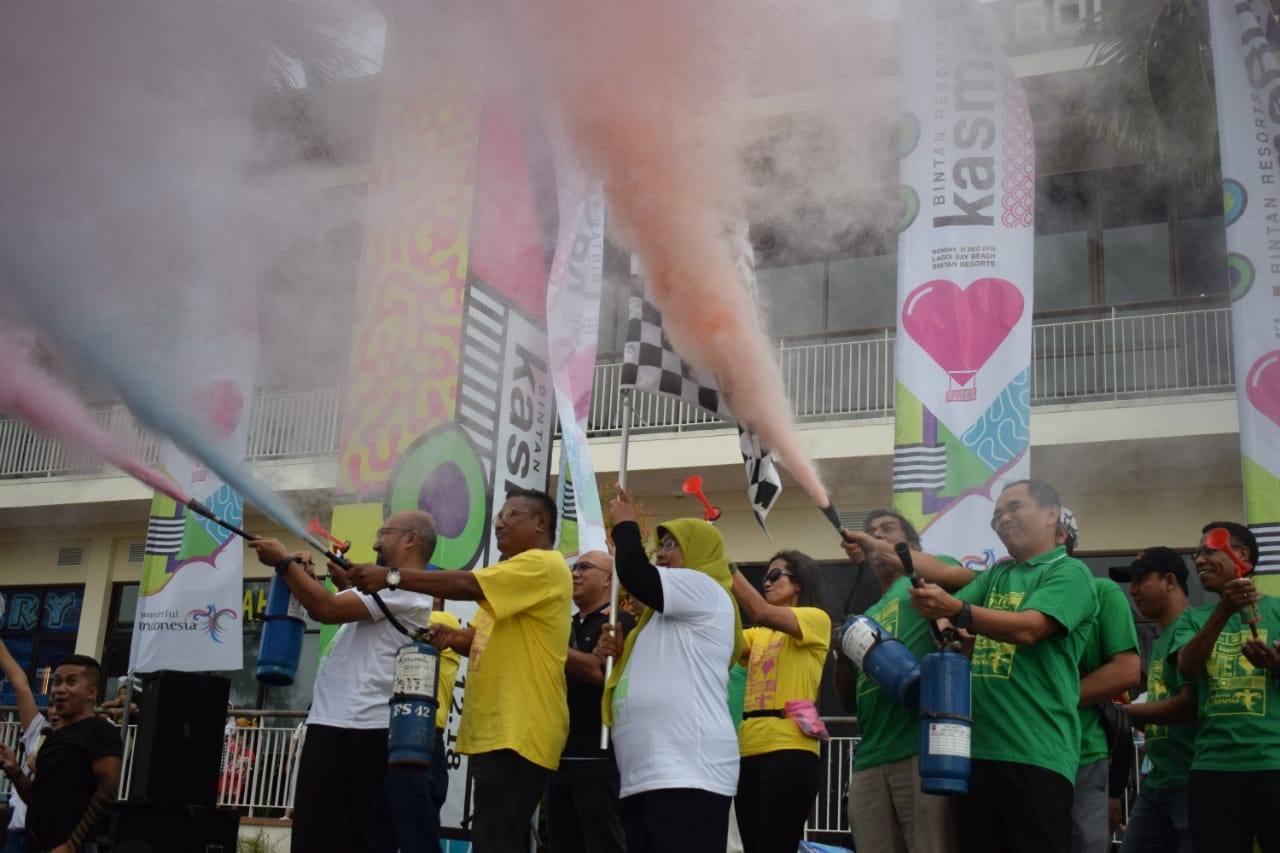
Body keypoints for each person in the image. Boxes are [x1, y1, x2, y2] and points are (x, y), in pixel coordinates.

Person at [350, 489, 572, 853]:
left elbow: (467, 584)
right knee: (496, 839)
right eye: (499, 515)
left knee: (496, 843)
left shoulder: (542, 564)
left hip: (519, 729)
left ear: (541, 522)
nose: (499, 522)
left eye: (509, 514)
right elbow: (486, 640)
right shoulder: (515, 579)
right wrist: (454, 637)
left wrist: (391, 577)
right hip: (499, 732)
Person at [910, 479, 1097, 853]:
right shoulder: (997, 574)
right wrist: (947, 623)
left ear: (1050, 515)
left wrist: (957, 611)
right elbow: (950, 619)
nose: (1003, 518)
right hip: (975, 758)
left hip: (1036, 755)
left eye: (1014, 508)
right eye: (997, 514)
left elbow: (1031, 628)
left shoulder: (1069, 572)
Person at [248, 510, 436, 853]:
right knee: (323, 836)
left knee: (333, 838)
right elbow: (331, 603)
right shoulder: (388, 591)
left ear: (410, 539)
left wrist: (283, 562)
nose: (377, 542)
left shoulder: (404, 588)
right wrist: (304, 575)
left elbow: (326, 610)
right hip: (340, 726)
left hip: (356, 730)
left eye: (385, 533)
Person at [595, 494, 743, 853]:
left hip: (688, 774)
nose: (661, 552)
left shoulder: (704, 587)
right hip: (647, 778)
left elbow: (634, 573)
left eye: (671, 545)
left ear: (700, 550)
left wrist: (626, 524)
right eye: (658, 544)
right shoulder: (655, 620)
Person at [834, 509, 961, 853]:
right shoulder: (869, 613)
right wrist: (843, 652)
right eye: (872, 531)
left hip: (921, 753)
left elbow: (963, 581)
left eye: (887, 529)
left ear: (915, 547)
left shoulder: (930, 578)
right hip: (870, 758)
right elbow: (849, 702)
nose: (877, 536)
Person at [1176, 521, 1280, 853]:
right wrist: (1224, 610)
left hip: (1274, 764)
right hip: (1213, 769)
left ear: (1242, 555)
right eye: (1197, 554)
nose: (1199, 560)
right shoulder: (1193, 618)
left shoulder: (1278, 609)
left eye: (1209, 550)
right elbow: (1187, 667)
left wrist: (1277, 667)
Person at [728, 549, 830, 853]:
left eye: (775, 576)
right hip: (747, 750)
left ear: (799, 583)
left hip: (790, 750)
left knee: (775, 846)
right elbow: (727, 638)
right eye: (765, 578)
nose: (767, 583)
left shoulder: (816, 619)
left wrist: (726, 565)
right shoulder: (758, 634)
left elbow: (759, 610)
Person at [546, 550, 635, 853]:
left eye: (585, 567)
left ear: (609, 578)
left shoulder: (619, 622)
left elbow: (602, 675)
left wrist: (551, 645)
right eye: (573, 567)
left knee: (602, 842)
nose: (575, 573)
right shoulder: (563, 624)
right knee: (561, 842)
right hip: (558, 754)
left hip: (599, 757)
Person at [1109, 547, 1196, 853]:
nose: (1132, 590)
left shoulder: (1192, 630)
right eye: (1130, 582)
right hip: (1157, 780)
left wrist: (1119, 712)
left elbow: (1190, 705)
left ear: (1170, 581)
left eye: (1141, 580)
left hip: (1192, 782)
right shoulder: (1160, 640)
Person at [3, 655, 121, 853]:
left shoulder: (100, 731)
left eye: (71, 682)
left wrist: (72, 845)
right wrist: (14, 771)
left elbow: (107, 790)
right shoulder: (51, 738)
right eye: (57, 682)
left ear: (92, 692)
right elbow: (37, 799)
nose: (60, 689)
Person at [0, 636, 50, 853]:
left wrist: (41, 770)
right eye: (54, 701)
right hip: (17, 835)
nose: (57, 705)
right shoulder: (40, 732)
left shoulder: (87, 738)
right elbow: (20, 683)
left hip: (53, 838)